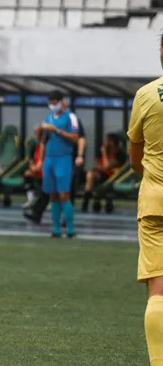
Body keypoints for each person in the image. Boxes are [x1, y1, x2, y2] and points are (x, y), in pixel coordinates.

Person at [127, 36, 163, 366]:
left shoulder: (147, 94)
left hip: (155, 201)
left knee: (158, 291)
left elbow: (134, 155)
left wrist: (149, 175)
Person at [36, 90, 79, 238]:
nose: (53, 106)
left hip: (63, 158)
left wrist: (58, 131)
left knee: (64, 194)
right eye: (51, 103)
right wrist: (40, 130)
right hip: (50, 159)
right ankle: (55, 229)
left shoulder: (71, 117)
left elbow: (75, 138)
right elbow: (42, 140)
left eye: (55, 103)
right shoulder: (48, 118)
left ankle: (70, 229)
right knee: (52, 195)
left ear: (62, 102)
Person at [81, 133, 127, 212]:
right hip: (102, 174)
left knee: (100, 175)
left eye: (108, 141)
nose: (106, 143)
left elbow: (107, 165)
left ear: (113, 142)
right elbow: (97, 165)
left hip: (113, 177)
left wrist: (104, 153)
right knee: (90, 175)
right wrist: (107, 168)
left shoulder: (119, 153)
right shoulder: (101, 150)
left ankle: (102, 199)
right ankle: (86, 201)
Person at [22, 127, 44, 209]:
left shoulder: (47, 145)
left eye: (38, 133)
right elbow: (31, 160)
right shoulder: (34, 145)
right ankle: (31, 198)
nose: (36, 136)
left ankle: (48, 200)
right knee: (27, 174)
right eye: (35, 133)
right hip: (36, 170)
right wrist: (33, 167)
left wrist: (40, 167)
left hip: (45, 169)